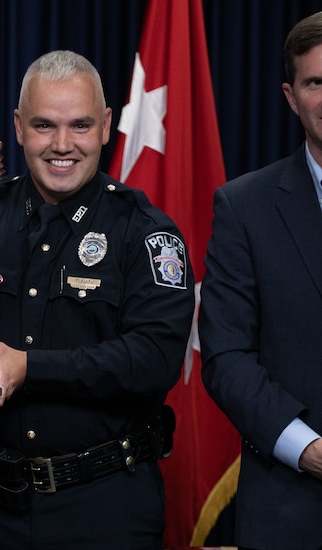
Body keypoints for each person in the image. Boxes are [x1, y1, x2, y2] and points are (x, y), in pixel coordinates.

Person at [0, 50, 194, 549]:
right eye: (44, 125)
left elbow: (154, 360)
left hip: (102, 510)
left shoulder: (145, 233)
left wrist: (27, 368)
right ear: (19, 127)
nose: (62, 145)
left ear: (107, 126)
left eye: (80, 125)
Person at [199, 11, 322, 550]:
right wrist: (308, 450)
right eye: (316, 82)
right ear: (291, 97)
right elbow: (226, 356)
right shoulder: (243, 207)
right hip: (290, 510)